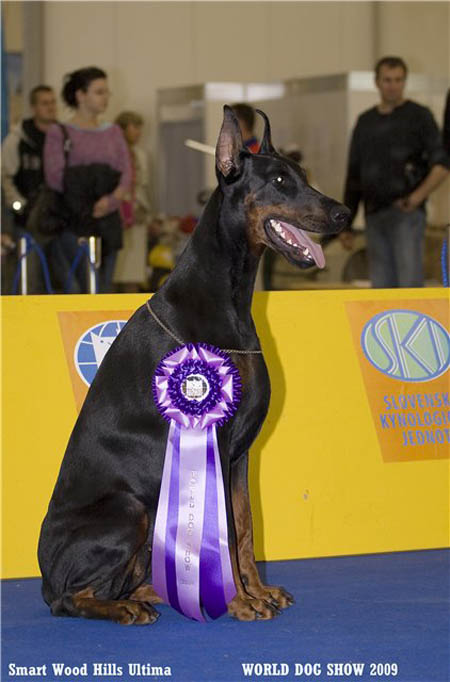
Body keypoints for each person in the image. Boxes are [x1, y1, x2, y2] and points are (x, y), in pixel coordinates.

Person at [342, 56, 449, 288]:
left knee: (409, 283)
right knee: (381, 287)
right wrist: (346, 224)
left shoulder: (419, 116)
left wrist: (416, 197)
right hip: (374, 214)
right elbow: (354, 175)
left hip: (406, 214)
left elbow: (441, 164)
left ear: (405, 82)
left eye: (398, 80)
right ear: (377, 82)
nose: (393, 86)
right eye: (388, 80)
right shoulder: (366, 122)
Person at [44, 67, 131, 293]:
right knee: (77, 289)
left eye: (107, 92)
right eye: (99, 92)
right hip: (73, 220)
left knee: (103, 289)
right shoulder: (59, 132)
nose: (106, 97)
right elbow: (55, 177)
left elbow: (126, 173)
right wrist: (87, 202)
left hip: (108, 222)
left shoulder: (113, 132)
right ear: (80, 95)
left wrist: (110, 201)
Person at [1, 85, 57, 293]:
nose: (50, 107)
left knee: (59, 280)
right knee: (29, 278)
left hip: (57, 221)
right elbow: (5, 177)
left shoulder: (62, 137)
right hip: (27, 221)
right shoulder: (17, 139)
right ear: (33, 108)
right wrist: (20, 206)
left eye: (53, 102)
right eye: (45, 103)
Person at [113, 111, 151, 293]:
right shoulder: (111, 154)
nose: (138, 132)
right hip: (117, 215)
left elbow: (144, 186)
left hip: (137, 216)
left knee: (134, 272)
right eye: (134, 127)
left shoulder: (140, 155)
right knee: (116, 268)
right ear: (122, 129)